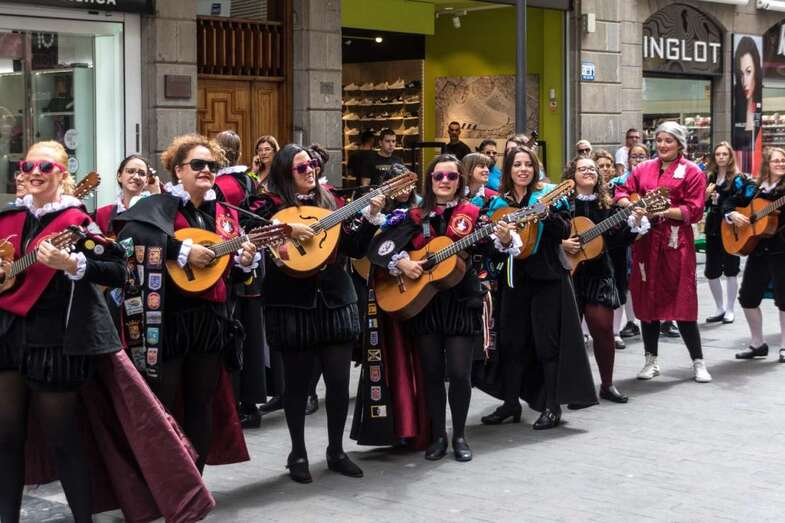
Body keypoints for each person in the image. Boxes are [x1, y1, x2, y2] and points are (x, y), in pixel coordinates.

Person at [0, 141, 214, 522]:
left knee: (64, 441)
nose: (35, 173)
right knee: (6, 438)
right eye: (28, 166)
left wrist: (73, 265)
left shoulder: (76, 222)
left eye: (45, 168)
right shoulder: (8, 219)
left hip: (55, 343)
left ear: (62, 175)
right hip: (8, 337)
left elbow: (120, 270)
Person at [115, 134, 259, 473]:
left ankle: (196, 481)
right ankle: (164, 482)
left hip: (211, 320)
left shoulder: (223, 213)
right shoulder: (159, 205)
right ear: (178, 170)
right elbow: (129, 236)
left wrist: (243, 262)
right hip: (168, 319)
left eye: (211, 165)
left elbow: (229, 274)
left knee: (201, 404)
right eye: (197, 164)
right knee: (163, 404)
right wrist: (181, 250)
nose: (206, 169)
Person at [369, 153, 518, 461]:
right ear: (430, 180)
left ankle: (460, 436)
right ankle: (439, 435)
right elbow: (380, 248)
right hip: (425, 305)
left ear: (460, 181)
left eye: (451, 176)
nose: (445, 181)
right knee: (432, 374)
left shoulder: (473, 214)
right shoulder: (413, 216)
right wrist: (402, 263)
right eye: (439, 176)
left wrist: (504, 239)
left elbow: (492, 251)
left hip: (461, 302)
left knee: (461, 374)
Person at [251, 144, 384, 483]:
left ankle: (336, 451)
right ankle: (297, 452)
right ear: (285, 172)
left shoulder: (332, 201)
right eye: (301, 167)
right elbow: (252, 233)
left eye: (311, 164)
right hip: (291, 304)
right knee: (297, 385)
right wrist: (286, 230)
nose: (310, 170)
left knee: (338, 382)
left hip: (335, 299)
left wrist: (371, 216)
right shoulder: (267, 204)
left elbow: (354, 248)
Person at [482, 146, 596, 429]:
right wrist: (503, 240)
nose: (523, 169)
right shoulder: (499, 203)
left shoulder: (548, 196)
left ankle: (552, 406)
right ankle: (511, 403)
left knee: (548, 343)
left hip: (547, 278)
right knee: (511, 342)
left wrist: (545, 215)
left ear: (535, 169)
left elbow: (564, 231)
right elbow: (491, 248)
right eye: (517, 164)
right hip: (513, 279)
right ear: (508, 170)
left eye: (528, 164)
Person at [615, 121, 712, 383]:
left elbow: (694, 210)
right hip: (646, 242)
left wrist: (663, 211)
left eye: (668, 140)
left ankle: (698, 361)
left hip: (675, 244)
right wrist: (632, 205)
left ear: (680, 144)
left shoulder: (692, 171)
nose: (662, 145)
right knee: (648, 301)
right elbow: (622, 191)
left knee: (683, 300)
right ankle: (651, 360)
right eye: (659, 140)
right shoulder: (643, 168)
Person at [562, 156, 647, 403]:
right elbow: (548, 233)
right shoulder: (562, 204)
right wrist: (562, 243)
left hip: (599, 273)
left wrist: (636, 221)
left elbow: (619, 241)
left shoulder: (608, 206)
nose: (588, 172)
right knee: (569, 335)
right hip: (567, 273)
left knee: (603, 329)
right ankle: (574, 389)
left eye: (592, 169)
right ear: (572, 174)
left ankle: (607, 385)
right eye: (582, 169)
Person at [213, 130, 270, 430]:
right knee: (251, 332)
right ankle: (250, 402)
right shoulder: (249, 179)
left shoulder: (220, 186)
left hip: (232, 264)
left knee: (236, 333)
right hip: (252, 263)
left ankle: (237, 402)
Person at [725, 147, 785, 361]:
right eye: (775, 160)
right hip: (757, 249)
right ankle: (757, 344)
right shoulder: (754, 188)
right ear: (766, 164)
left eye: (783, 160)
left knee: (784, 299)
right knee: (748, 297)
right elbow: (730, 202)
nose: (780, 164)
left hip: (781, 250)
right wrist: (731, 214)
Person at [703, 142, 743, 325]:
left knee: (731, 269)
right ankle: (719, 307)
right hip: (713, 226)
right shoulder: (710, 177)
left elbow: (742, 201)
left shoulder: (737, 178)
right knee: (711, 271)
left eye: (724, 154)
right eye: (718, 154)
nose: (720, 157)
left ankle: (730, 309)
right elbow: (703, 204)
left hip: (730, 227)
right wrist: (705, 196)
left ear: (730, 157)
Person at [614, 143, 651, 340]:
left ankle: (664, 319)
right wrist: (630, 206)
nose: (638, 160)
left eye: (641, 156)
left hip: (651, 232)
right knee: (628, 276)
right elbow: (617, 197)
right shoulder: (620, 180)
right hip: (628, 232)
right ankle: (631, 321)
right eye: (634, 156)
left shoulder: (653, 177)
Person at [94, 154, 160, 236]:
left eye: (142, 173)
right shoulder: (102, 214)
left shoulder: (153, 212)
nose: (136, 177)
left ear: (146, 181)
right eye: (130, 171)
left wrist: (157, 196)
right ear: (119, 176)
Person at [732, 36, 763, 177]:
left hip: (757, 176)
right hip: (739, 177)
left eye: (749, 72)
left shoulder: (760, 105)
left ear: (756, 70)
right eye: (741, 74)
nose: (744, 81)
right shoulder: (735, 105)